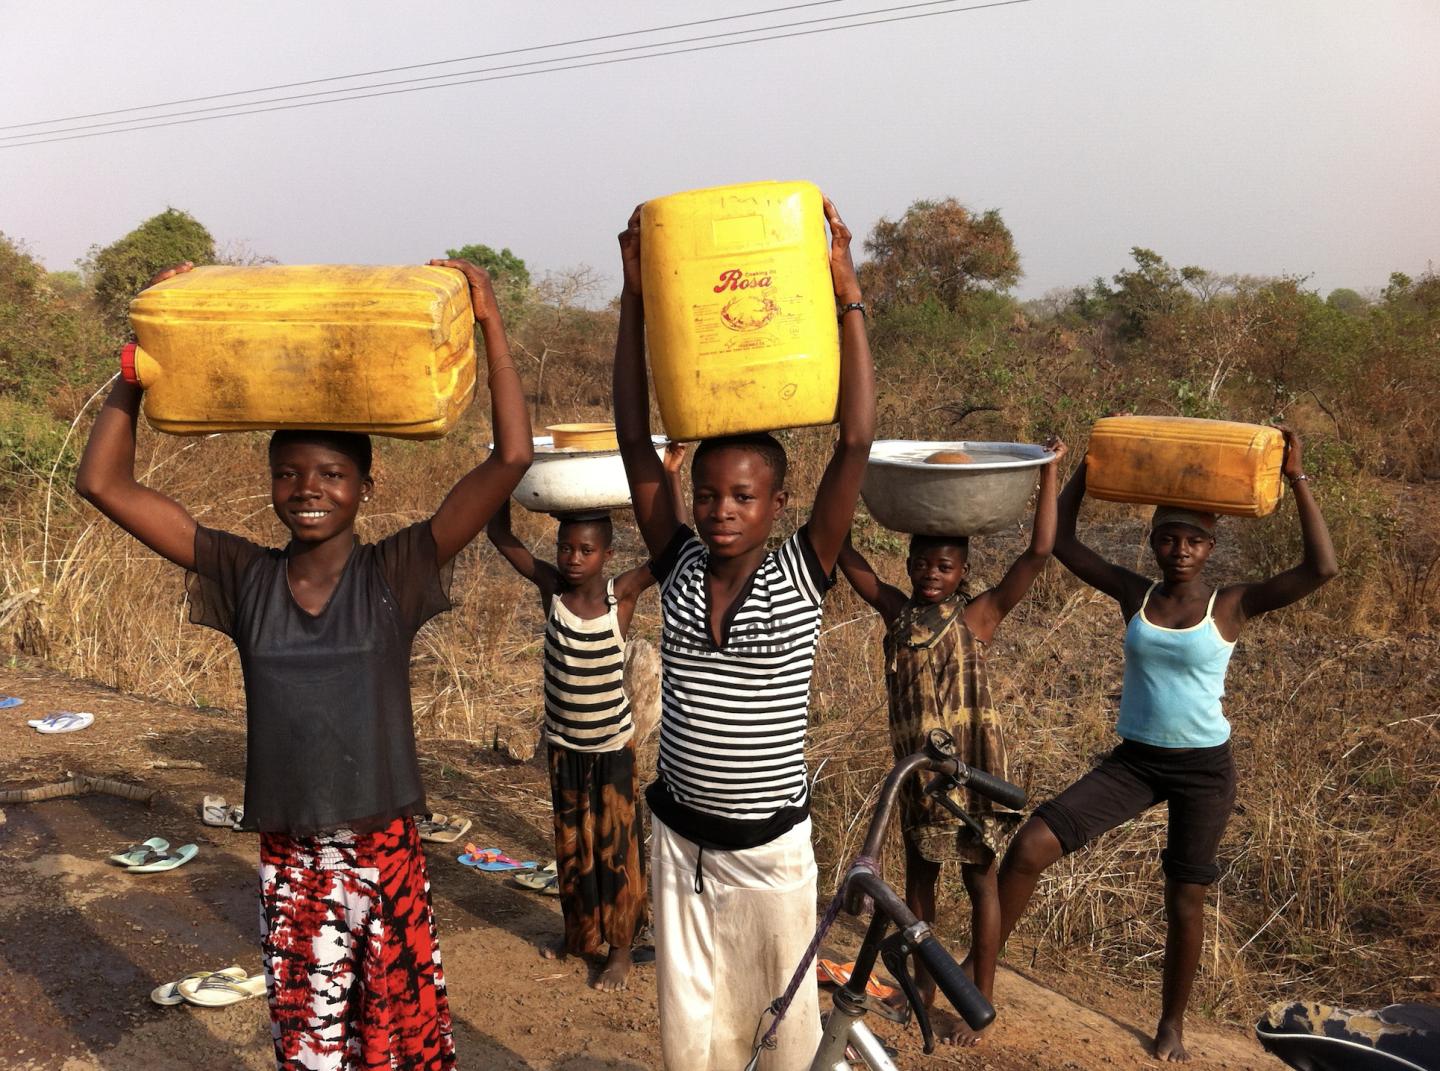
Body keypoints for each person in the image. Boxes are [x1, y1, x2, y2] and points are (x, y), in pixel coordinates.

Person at [74, 257, 532, 1071]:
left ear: (365, 484)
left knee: (396, 1040)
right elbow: (103, 482)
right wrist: (142, 361)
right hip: (292, 855)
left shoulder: (395, 572)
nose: (306, 489)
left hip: (383, 847)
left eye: (330, 474)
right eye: (287, 473)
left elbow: (510, 461)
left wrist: (491, 323)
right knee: (311, 1043)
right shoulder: (243, 575)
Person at [612, 198, 875, 1070]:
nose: (720, 509)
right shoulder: (679, 564)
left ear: (777, 503)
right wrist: (634, 297)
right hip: (680, 843)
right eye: (708, 494)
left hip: (769, 856)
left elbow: (856, 439)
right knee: (692, 1035)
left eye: (743, 496)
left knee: (782, 1036)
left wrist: (845, 290)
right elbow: (633, 438)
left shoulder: (803, 570)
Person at [994, 426, 1337, 1063]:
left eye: (1194, 541)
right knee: (1030, 845)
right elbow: (1062, 542)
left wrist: (1297, 478)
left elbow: (1321, 568)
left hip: (1204, 770)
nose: (1180, 551)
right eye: (1168, 539)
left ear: (1211, 548)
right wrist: (1088, 467)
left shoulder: (1232, 604)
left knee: (1184, 896)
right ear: (1153, 543)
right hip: (1135, 762)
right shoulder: (1137, 593)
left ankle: (1171, 1022)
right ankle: (978, 969)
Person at [836, 437, 1066, 1045]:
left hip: (970, 775)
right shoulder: (897, 614)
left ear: (963, 573)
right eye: (921, 564)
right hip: (916, 776)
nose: (931, 575)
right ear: (908, 562)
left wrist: (1050, 473)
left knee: (980, 881)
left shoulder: (977, 617)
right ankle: (922, 989)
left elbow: (1039, 552)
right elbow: (842, 550)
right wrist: (846, 465)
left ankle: (979, 998)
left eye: (944, 567)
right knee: (919, 884)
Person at [483, 441, 685, 993]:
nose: (573, 558)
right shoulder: (551, 590)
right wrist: (504, 466)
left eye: (586, 550)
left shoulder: (621, 597)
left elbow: (672, 549)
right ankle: (579, 936)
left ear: (607, 553)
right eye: (566, 548)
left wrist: (668, 477)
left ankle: (620, 949)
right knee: (572, 846)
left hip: (612, 750)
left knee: (617, 850)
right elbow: (501, 535)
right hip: (564, 747)